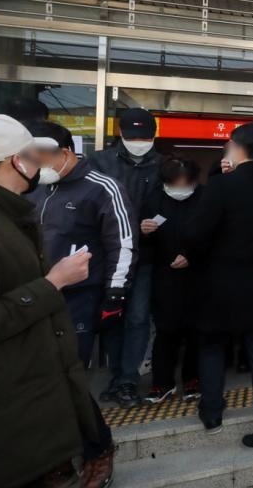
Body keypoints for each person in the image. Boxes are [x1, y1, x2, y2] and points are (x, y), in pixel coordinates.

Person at [0, 115, 103, 488]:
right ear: (15, 161)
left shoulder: (11, 210)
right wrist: (54, 282)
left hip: (30, 388)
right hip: (12, 401)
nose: (40, 163)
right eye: (35, 155)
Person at [184, 123, 253, 452]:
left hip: (222, 282)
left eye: (230, 143)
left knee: (213, 346)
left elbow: (195, 235)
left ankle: (212, 414)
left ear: (240, 148)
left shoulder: (221, 186)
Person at [25, 122, 137, 374]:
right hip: (36, 289)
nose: (33, 165)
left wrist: (115, 293)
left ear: (64, 154)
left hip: (80, 295)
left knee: (71, 365)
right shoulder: (32, 188)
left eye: (39, 157)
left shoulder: (103, 188)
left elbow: (123, 244)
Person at [89, 107, 162, 408]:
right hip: (107, 256)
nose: (139, 141)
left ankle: (128, 378)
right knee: (111, 317)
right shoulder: (98, 162)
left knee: (137, 317)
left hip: (144, 256)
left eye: (144, 136)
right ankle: (117, 374)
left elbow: (171, 203)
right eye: (133, 136)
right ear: (120, 134)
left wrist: (157, 222)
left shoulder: (161, 163)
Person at [141, 157, 204, 404]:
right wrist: (144, 232)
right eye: (173, 182)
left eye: (184, 182)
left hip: (198, 275)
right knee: (166, 331)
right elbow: (145, 245)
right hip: (165, 274)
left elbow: (215, 235)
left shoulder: (205, 198)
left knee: (196, 331)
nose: (179, 188)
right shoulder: (154, 199)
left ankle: (192, 379)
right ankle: (162, 383)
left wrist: (192, 256)